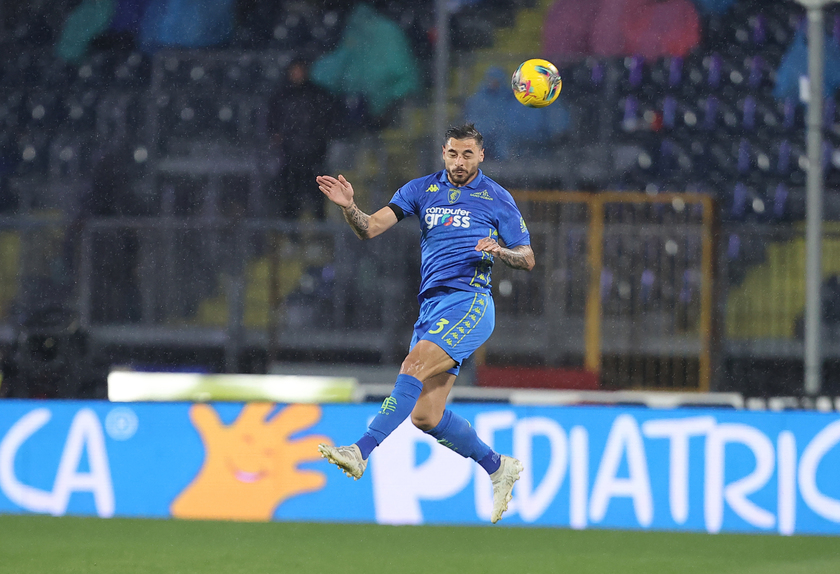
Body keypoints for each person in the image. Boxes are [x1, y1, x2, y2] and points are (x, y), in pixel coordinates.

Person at [316, 124, 535, 524]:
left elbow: (527, 256)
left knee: (412, 367)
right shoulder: (421, 190)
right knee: (426, 416)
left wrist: (500, 250)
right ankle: (498, 466)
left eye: (467, 155)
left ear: (481, 156)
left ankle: (360, 450)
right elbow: (370, 227)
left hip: (469, 302)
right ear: (443, 152)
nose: (459, 162)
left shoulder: (495, 197)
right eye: (452, 154)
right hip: (432, 310)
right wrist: (349, 206)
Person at [268, 58, 338, 220]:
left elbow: (328, 120)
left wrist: (318, 138)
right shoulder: (282, 96)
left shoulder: (318, 95)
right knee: (290, 197)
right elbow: (273, 122)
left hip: (315, 155)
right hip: (290, 157)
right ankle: (291, 235)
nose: (297, 74)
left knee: (317, 196)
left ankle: (319, 233)